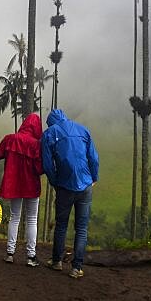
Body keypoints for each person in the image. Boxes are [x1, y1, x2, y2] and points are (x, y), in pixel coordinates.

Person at [41, 109, 99, 279]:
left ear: (51, 122)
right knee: (81, 228)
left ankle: (57, 261)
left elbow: (47, 164)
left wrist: (55, 182)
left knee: (61, 225)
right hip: (85, 184)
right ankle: (77, 267)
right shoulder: (82, 129)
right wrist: (94, 177)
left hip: (64, 186)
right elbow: (93, 158)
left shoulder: (49, 134)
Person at [0, 112, 44, 266]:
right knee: (32, 219)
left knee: (15, 217)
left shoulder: (10, 139)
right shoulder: (36, 145)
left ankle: (10, 252)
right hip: (31, 186)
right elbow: (40, 168)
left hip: (14, 185)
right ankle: (31, 256)